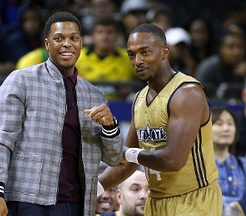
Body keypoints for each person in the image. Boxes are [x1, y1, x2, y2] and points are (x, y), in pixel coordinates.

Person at [0, 11, 123, 216]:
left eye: (73, 38)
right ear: (47, 44)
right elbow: (2, 140)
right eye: (59, 38)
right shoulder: (21, 80)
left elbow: (113, 157)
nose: (67, 44)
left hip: (76, 203)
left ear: (81, 43)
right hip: (27, 198)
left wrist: (110, 126)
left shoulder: (95, 95)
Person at [98, 23, 222, 215]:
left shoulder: (187, 93)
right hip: (155, 201)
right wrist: (94, 189)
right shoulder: (139, 98)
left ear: (165, 52)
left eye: (145, 52)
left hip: (193, 200)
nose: (137, 60)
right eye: (131, 55)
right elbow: (127, 163)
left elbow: (172, 160)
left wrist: (127, 153)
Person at [76, 17, 139, 101]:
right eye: (100, 32)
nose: (105, 37)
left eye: (110, 32)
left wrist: (131, 90)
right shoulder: (78, 57)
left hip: (120, 107)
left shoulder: (129, 58)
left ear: (117, 36)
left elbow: (144, 82)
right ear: (93, 36)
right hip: (85, 105)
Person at [212, 107, 246, 215]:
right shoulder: (197, 167)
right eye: (219, 123)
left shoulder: (243, 164)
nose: (226, 128)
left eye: (230, 124)